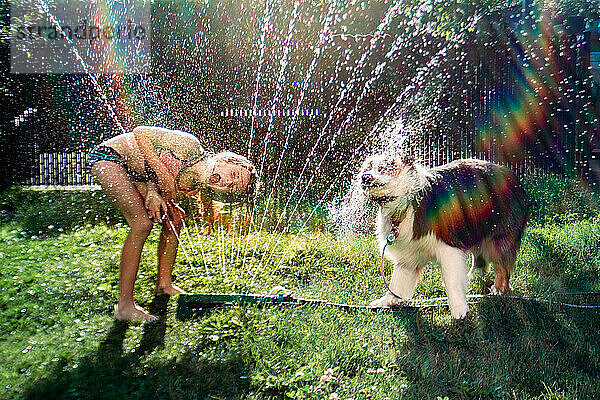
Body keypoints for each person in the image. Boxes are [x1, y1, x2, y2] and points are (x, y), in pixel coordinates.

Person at [86, 126, 258, 322]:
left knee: (175, 221)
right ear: (225, 159)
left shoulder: (194, 182)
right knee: (141, 224)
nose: (226, 182)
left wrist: (154, 192)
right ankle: (125, 306)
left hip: (137, 173)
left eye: (231, 187)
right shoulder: (190, 147)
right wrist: (163, 180)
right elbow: (140, 133)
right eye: (233, 175)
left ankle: (164, 285)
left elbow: (153, 170)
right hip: (110, 157)